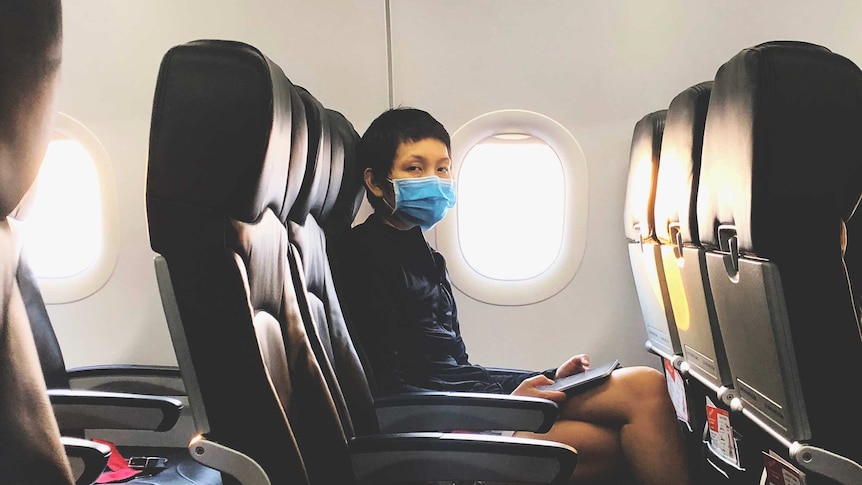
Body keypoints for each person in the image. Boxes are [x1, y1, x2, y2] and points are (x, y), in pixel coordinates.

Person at [335, 107, 692, 485]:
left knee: (645, 385)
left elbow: (454, 366)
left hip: (476, 405)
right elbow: (391, 387)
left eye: (442, 168)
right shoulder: (363, 257)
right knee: (624, 442)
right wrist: (504, 405)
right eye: (414, 169)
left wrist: (546, 377)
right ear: (375, 182)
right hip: (444, 425)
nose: (434, 181)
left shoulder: (425, 255)